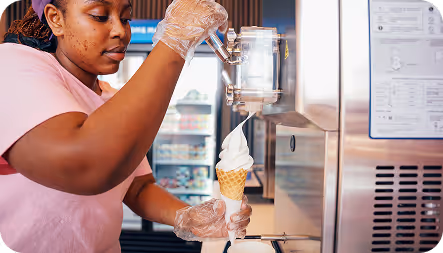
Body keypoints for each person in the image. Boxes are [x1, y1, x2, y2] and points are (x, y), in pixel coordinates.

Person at [0, 0, 252, 252]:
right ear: (56, 19)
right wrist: (177, 39)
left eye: (126, 18)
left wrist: (188, 217)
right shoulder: (12, 63)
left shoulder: (109, 97)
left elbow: (137, 187)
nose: (120, 30)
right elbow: (84, 166)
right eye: (99, 16)